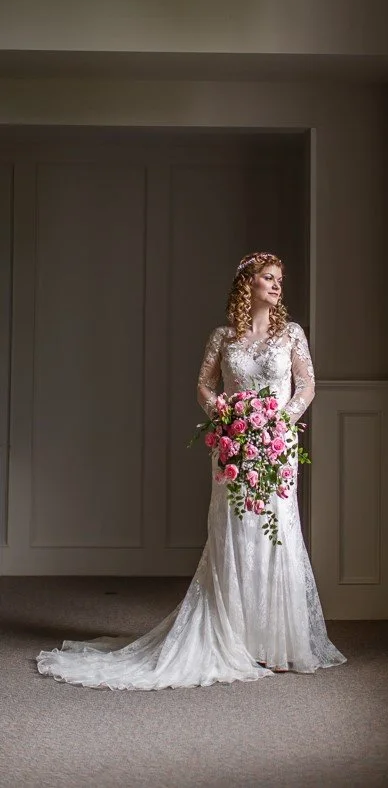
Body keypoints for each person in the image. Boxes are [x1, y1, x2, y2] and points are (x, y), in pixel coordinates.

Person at [36, 252, 346, 689]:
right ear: (247, 284)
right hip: (232, 446)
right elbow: (203, 385)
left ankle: (277, 644)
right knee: (234, 533)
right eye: (268, 278)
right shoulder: (223, 337)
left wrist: (280, 420)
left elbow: (307, 384)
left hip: (276, 445)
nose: (277, 287)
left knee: (278, 530)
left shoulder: (291, 334)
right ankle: (234, 638)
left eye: (280, 280)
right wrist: (224, 415)